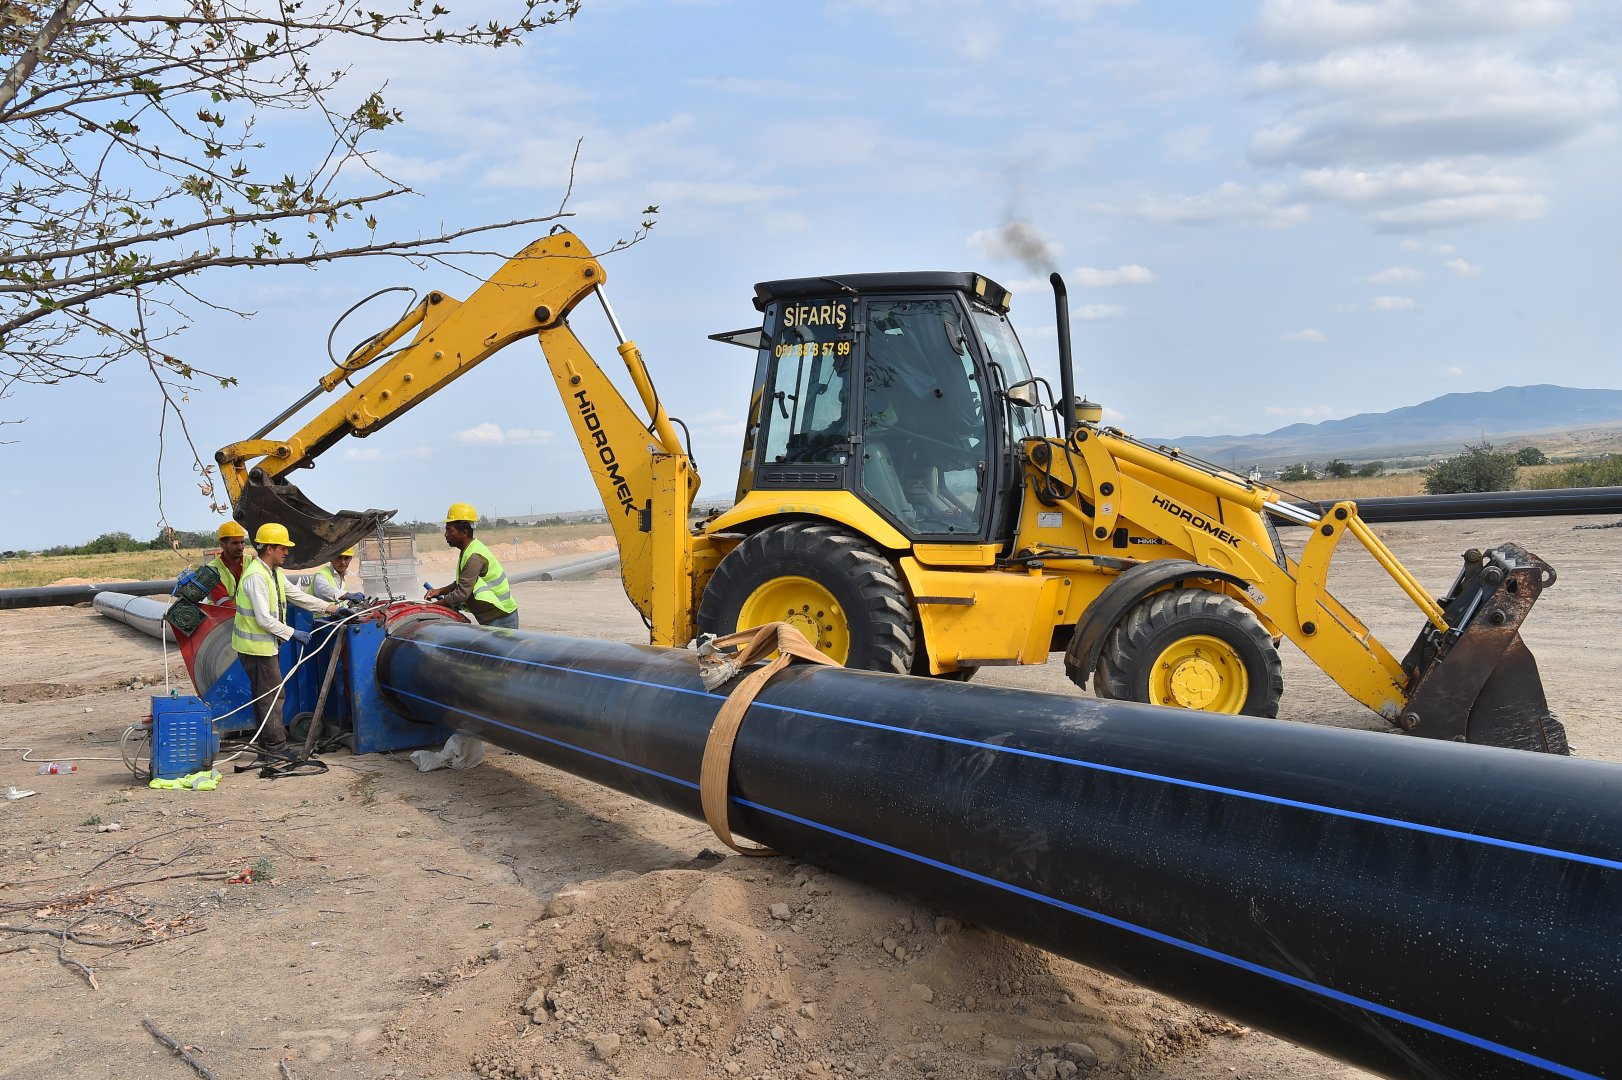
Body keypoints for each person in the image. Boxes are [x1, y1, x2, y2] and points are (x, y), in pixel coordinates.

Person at [232, 523, 338, 759]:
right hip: (257, 649)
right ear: (270, 549)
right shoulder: (257, 577)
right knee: (272, 698)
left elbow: (297, 596)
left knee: (264, 697)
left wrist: (332, 608)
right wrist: (292, 633)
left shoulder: (273, 573)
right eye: (283, 548)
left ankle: (266, 749)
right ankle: (276, 749)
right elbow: (263, 619)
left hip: (264, 646)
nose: (287, 552)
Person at [423, 502, 519, 628]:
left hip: (501, 618)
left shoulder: (474, 557)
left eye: (450, 531)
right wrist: (439, 591)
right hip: (493, 617)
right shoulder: (468, 550)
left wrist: (432, 607)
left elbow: (462, 594)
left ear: (464, 532)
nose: (445, 535)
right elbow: (462, 582)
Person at [205, 520, 253, 602]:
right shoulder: (211, 570)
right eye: (235, 543)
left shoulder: (252, 561)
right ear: (222, 545)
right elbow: (223, 603)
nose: (240, 547)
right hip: (221, 610)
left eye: (242, 542)